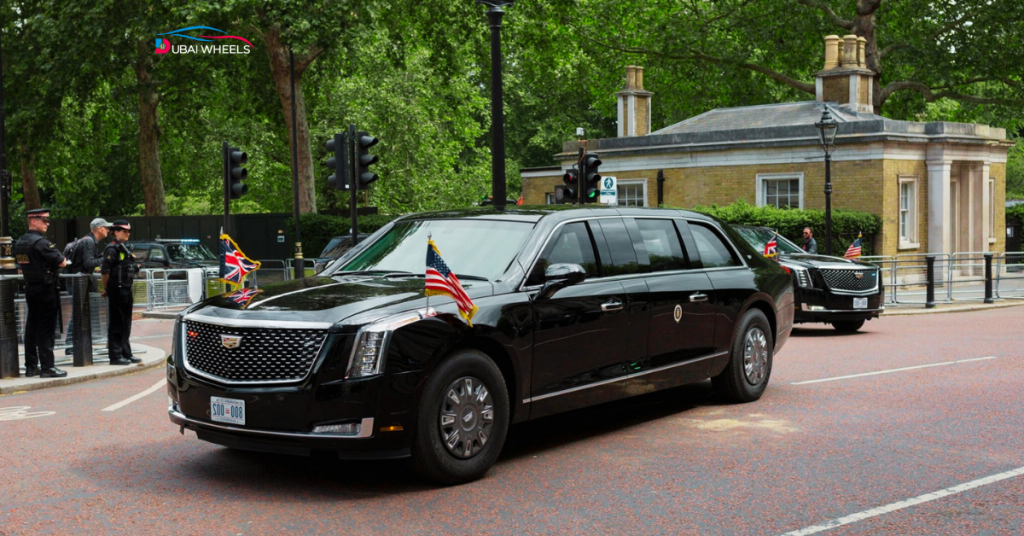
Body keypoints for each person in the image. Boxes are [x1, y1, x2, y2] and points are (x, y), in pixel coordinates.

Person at [15, 208, 69, 378]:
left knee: (32, 327)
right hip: (46, 290)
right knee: (46, 329)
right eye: (43, 220)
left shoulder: (20, 242)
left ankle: (31, 366)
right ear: (33, 221)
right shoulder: (41, 243)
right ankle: (47, 367)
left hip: (31, 288)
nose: (47, 223)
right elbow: (62, 262)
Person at [64, 218, 112, 353]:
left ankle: (75, 344)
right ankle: (70, 345)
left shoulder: (88, 241)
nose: (108, 230)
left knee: (80, 313)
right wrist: (106, 259)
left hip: (76, 282)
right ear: (99, 229)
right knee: (79, 313)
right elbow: (89, 263)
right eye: (106, 227)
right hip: (77, 283)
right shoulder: (89, 242)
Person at [101, 220, 140, 366]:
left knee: (126, 323)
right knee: (117, 324)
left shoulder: (125, 248)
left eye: (129, 231)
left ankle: (126, 353)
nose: (127, 233)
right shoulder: (111, 249)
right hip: (116, 289)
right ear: (116, 232)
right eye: (124, 231)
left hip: (126, 288)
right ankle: (115, 356)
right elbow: (105, 272)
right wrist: (106, 288)